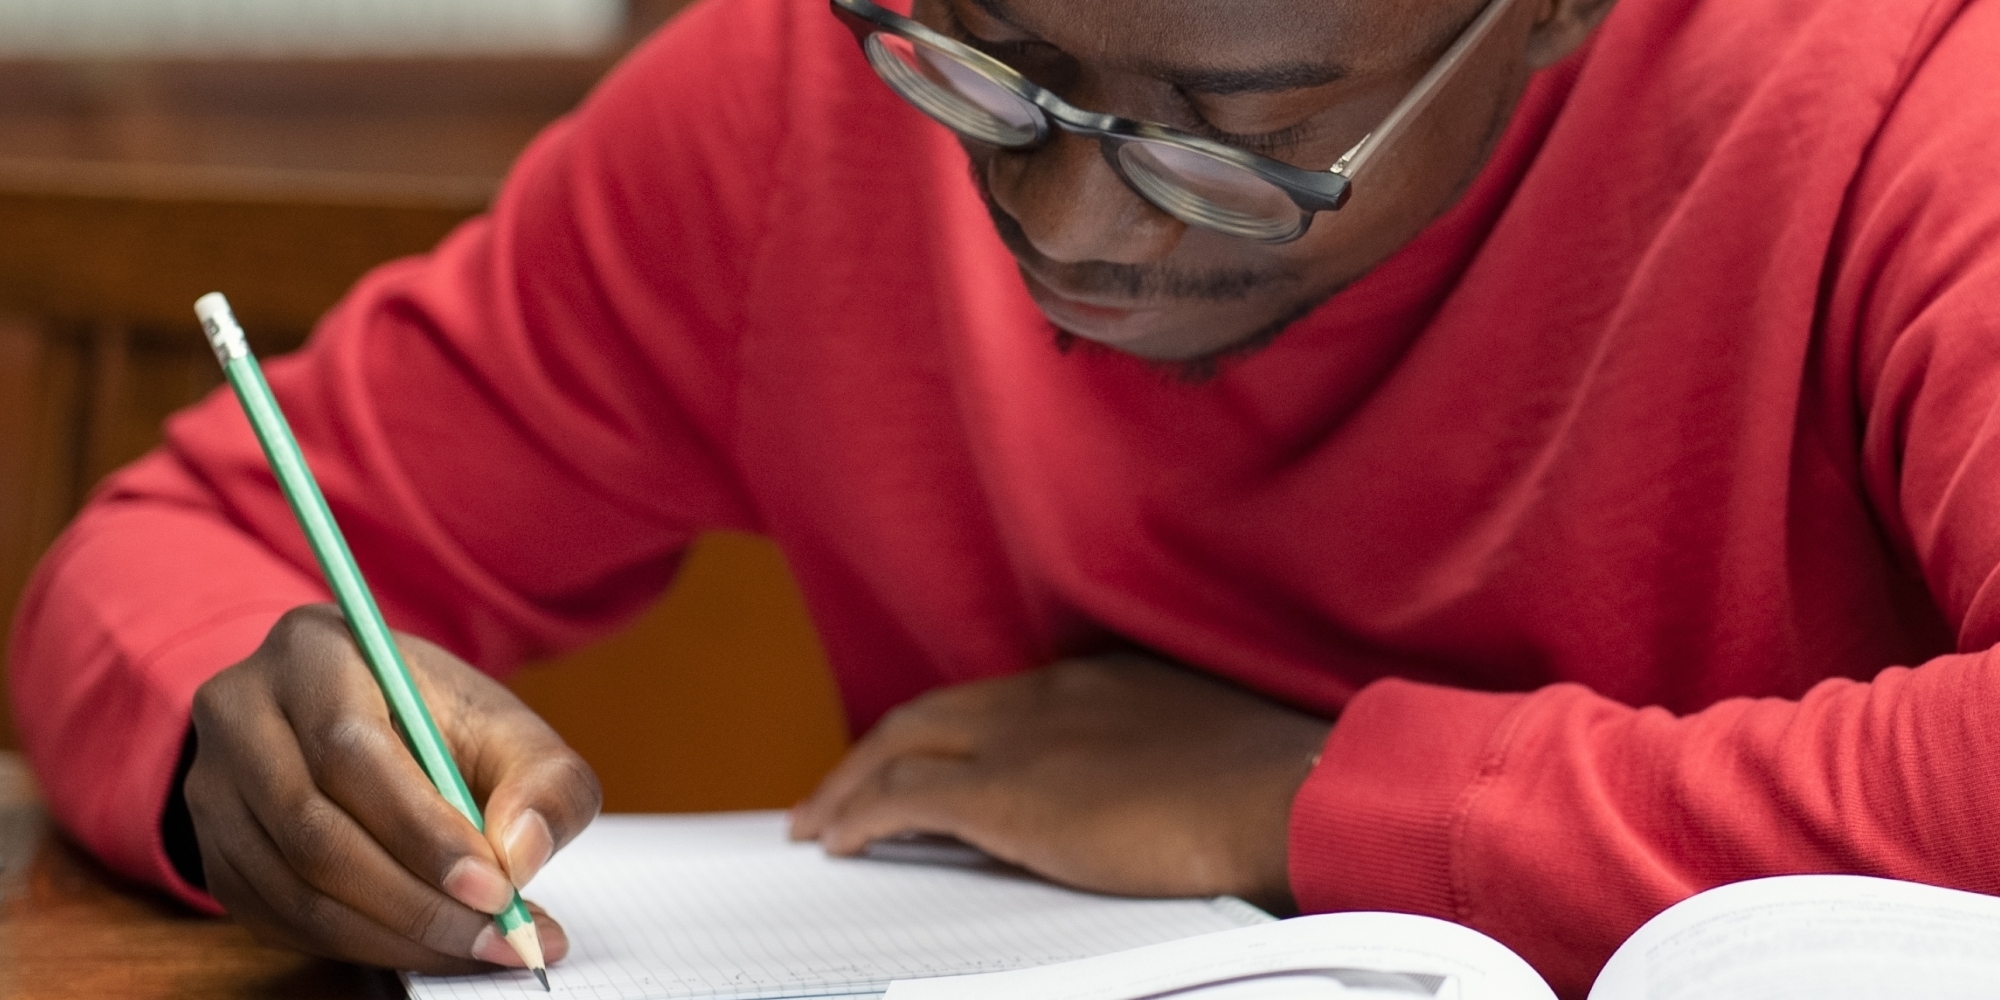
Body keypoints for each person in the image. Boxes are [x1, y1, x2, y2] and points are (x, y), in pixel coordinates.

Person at [11, 0, 2000, 993]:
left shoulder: (1908, 99)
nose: (1064, 221)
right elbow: (178, 551)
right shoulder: (796, 100)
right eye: (986, 65)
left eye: (1233, 134)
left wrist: (1307, 799)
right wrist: (239, 741)